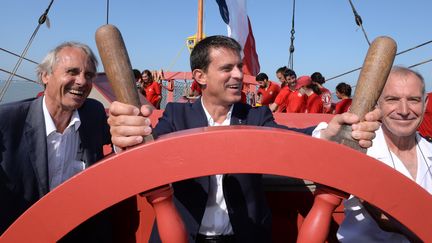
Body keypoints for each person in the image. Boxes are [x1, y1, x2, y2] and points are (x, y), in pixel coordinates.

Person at [108, 35, 381, 243]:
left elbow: (291, 140)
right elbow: (147, 149)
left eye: (239, 66)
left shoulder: (256, 116)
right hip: (184, 236)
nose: (239, 75)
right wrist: (126, 135)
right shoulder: (177, 115)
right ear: (200, 76)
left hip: (247, 236)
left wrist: (328, 131)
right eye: (227, 68)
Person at [0, 42, 112, 240]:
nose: (81, 81)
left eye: (88, 75)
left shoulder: (94, 113)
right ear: (45, 75)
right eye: (72, 72)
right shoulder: (7, 122)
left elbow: (120, 146)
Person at [337, 66, 431, 243]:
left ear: (425, 103)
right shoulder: (356, 147)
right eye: (392, 99)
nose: (404, 110)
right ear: (377, 104)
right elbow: (319, 140)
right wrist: (329, 136)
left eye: (414, 100)